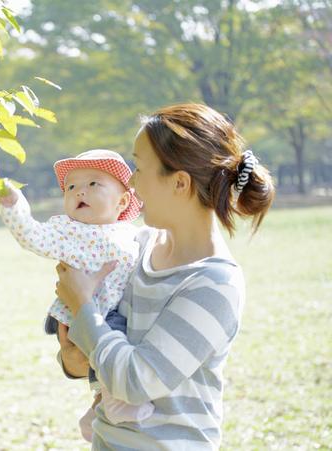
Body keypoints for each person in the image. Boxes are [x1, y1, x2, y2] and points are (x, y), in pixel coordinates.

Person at [54, 103, 275, 450]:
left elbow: (136, 380)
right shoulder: (136, 248)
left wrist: (82, 306)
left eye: (139, 168)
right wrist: (72, 356)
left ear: (179, 183)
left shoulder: (214, 285)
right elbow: (93, 355)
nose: (129, 180)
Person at [0, 149, 154, 441]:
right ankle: (114, 402)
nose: (80, 191)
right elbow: (32, 236)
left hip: (113, 311)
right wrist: (13, 206)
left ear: (122, 201)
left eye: (94, 184)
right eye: (71, 187)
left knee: (121, 342)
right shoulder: (68, 231)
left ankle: (100, 406)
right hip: (80, 313)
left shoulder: (133, 233)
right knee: (112, 344)